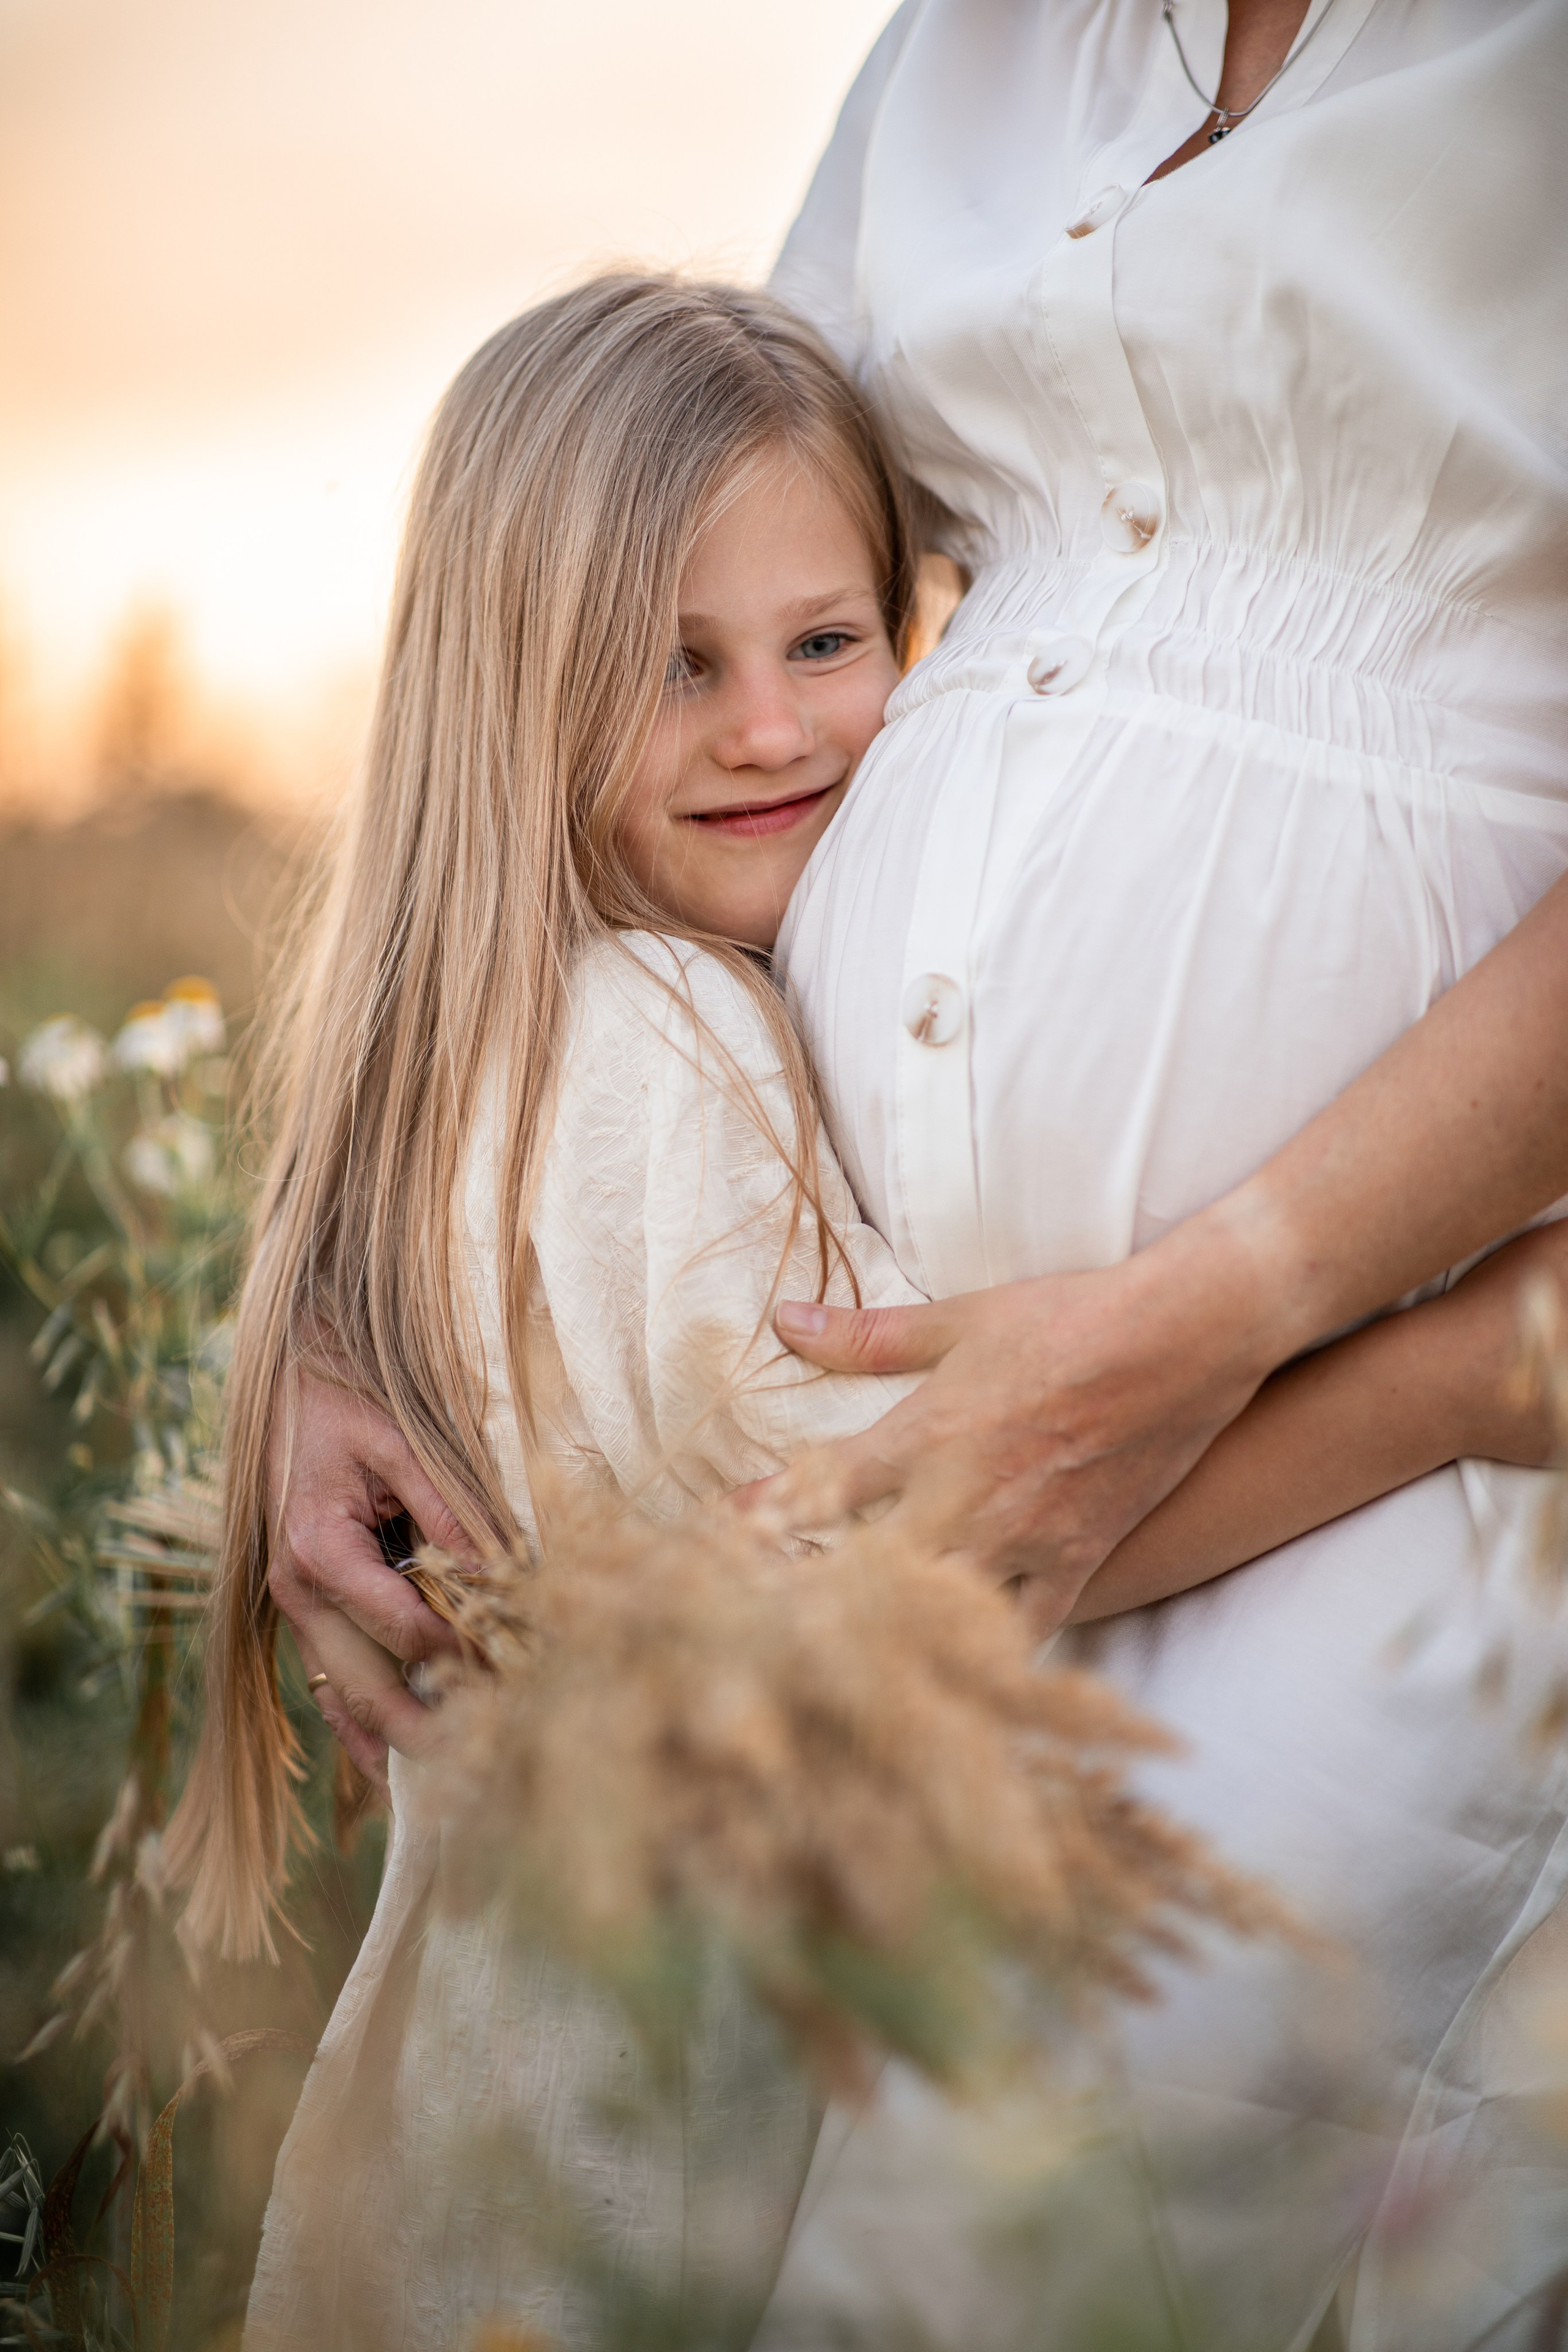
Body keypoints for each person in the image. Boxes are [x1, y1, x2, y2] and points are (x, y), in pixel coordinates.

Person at [254, 2, 1568, 2341]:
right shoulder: (969, 54)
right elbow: (663, 491)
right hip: (645, 2075)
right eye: (681, 673)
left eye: (832, 647)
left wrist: (1416, 1347)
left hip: (1304, 1505)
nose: (771, 727)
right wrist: (333, 1288)